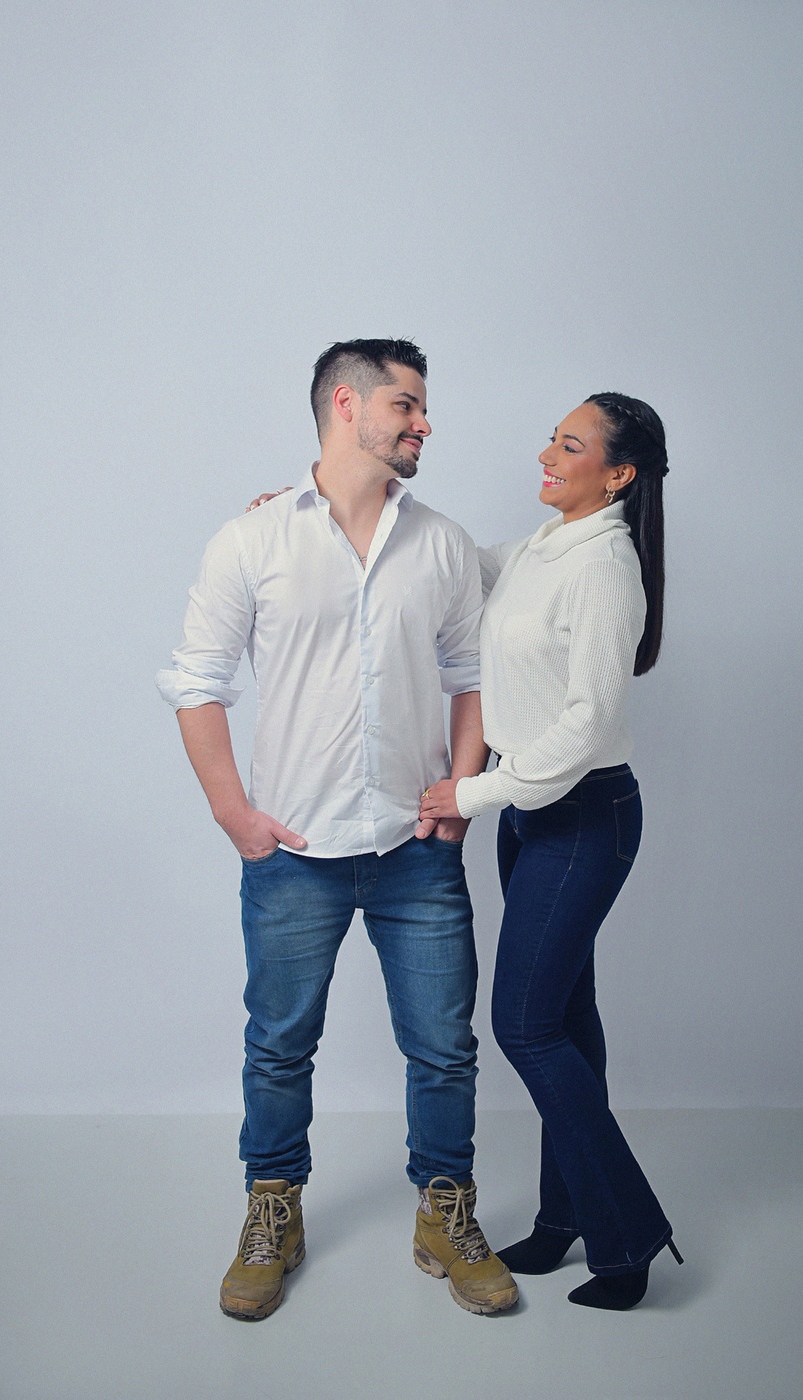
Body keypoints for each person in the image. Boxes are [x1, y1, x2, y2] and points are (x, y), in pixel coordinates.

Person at [156, 339, 518, 1320]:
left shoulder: (442, 543)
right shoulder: (252, 540)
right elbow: (196, 681)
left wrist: (459, 790)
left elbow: (471, 674)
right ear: (346, 405)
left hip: (415, 852)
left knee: (444, 1048)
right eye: (407, 404)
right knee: (279, 1045)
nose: (425, 423)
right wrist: (233, 814)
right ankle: (273, 1209)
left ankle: (445, 1211)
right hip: (295, 855)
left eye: (424, 407)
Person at [419, 391, 683, 1310]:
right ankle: (566, 1217)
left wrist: (473, 793)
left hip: (581, 818)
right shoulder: (544, 545)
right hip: (535, 817)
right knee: (565, 1020)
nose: (546, 454)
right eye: (553, 438)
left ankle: (629, 1232)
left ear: (617, 475)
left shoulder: (605, 565)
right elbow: (455, 560)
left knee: (526, 1026)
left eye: (570, 446)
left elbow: (587, 724)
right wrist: (344, 502)